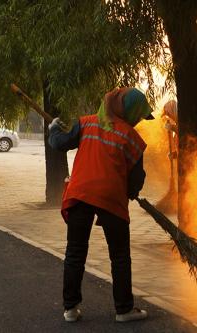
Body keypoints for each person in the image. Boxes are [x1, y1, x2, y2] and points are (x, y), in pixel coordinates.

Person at [48, 87, 154, 323]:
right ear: (127, 111)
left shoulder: (86, 124)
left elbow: (59, 143)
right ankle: (124, 310)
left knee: (75, 252)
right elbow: (137, 179)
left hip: (81, 194)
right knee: (120, 256)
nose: (138, 121)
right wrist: (130, 192)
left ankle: (70, 309)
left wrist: (53, 129)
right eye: (138, 115)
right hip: (111, 198)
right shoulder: (133, 139)